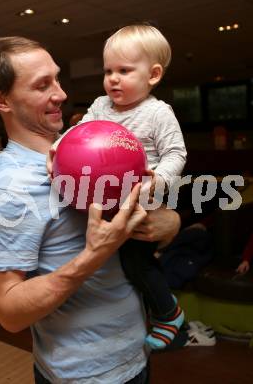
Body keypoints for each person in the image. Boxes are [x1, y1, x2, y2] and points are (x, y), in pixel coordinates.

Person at [0, 36, 181, 383]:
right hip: (82, 375)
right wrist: (93, 255)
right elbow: (9, 313)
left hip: (137, 356)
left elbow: (138, 222)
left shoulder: (94, 146)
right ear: (2, 99)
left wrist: (169, 221)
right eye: (43, 85)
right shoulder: (3, 188)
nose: (61, 94)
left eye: (57, 79)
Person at [47, 24, 187, 349]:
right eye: (108, 70)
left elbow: (175, 152)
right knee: (111, 263)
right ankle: (142, 315)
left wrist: (160, 179)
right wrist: (58, 146)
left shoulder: (157, 113)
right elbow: (78, 133)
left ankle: (169, 312)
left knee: (137, 263)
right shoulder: (99, 106)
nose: (112, 78)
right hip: (102, 199)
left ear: (152, 75)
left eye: (124, 70)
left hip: (139, 200)